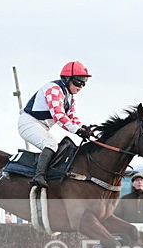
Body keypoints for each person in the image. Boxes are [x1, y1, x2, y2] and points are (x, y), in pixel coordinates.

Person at [19, 60, 93, 189]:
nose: (80, 87)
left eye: (83, 84)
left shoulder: (70, 97)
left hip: (41, 125)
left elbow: (72, 117)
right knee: (51, 144)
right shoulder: (53, 89)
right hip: (29, 123)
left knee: (57, 146)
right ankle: (38, 176)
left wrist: (84, 129)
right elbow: (58, 116)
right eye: (78, 82)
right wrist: (77, 131)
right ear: (66, 79)